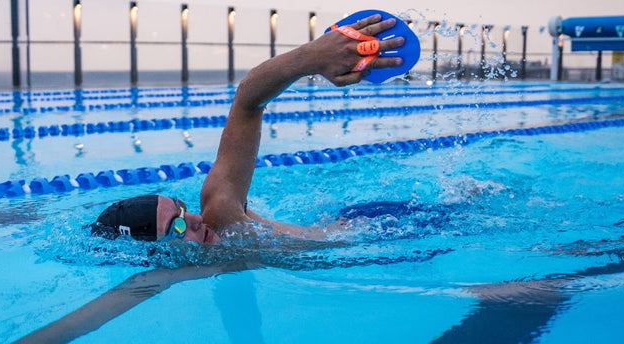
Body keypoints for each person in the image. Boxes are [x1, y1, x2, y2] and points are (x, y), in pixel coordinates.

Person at [88, 14, 406, 245]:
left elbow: (247, 101)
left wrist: (312, 57)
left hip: (381, 226)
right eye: (178, 227)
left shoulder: (223, 218)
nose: (197, 219)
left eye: (182, 211)